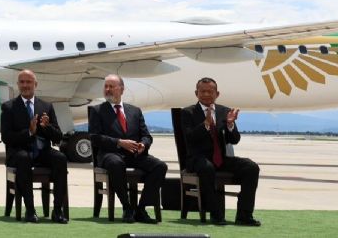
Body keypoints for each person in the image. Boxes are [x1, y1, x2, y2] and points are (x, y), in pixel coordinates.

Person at [181, 77, 261, 226]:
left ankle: (244, 215)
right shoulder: (188, 112)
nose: (206, 94)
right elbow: (190, 138)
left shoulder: (224, 111)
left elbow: (234, 139)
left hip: (221, 159)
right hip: (198, 159)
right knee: (207, 168)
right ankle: (216, 214)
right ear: (196, 93)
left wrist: (230, 125)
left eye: (210, 91)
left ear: (217, 94)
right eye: (202, 91)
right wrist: (205, 124)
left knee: (251, 167)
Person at [88, 74, 167, 224]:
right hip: (110, 154)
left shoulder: (135, 111)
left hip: (135, 155)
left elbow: (146, 136)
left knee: (160, 166)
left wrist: (143, 144)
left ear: (122, 89)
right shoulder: (98, 111)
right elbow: (95, 137)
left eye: (112, 86)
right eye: (106, 86)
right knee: (116, 164)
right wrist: (119, 142)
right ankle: (127, 207)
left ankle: (141, 209)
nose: (108, 89)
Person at [0, 69, 68, 224]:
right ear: (17, 85)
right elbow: (7, 137)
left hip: (42, 152)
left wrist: (47, 127)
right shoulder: (9, 107)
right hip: (19, 152)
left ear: (35, 84)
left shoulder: (46, 106)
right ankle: (30, 210)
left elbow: (58, 137)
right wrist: (29, 132)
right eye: (22, 82)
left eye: (28, 82)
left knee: (60, 158)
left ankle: (57, 210)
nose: (25, 85)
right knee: (23, 159)